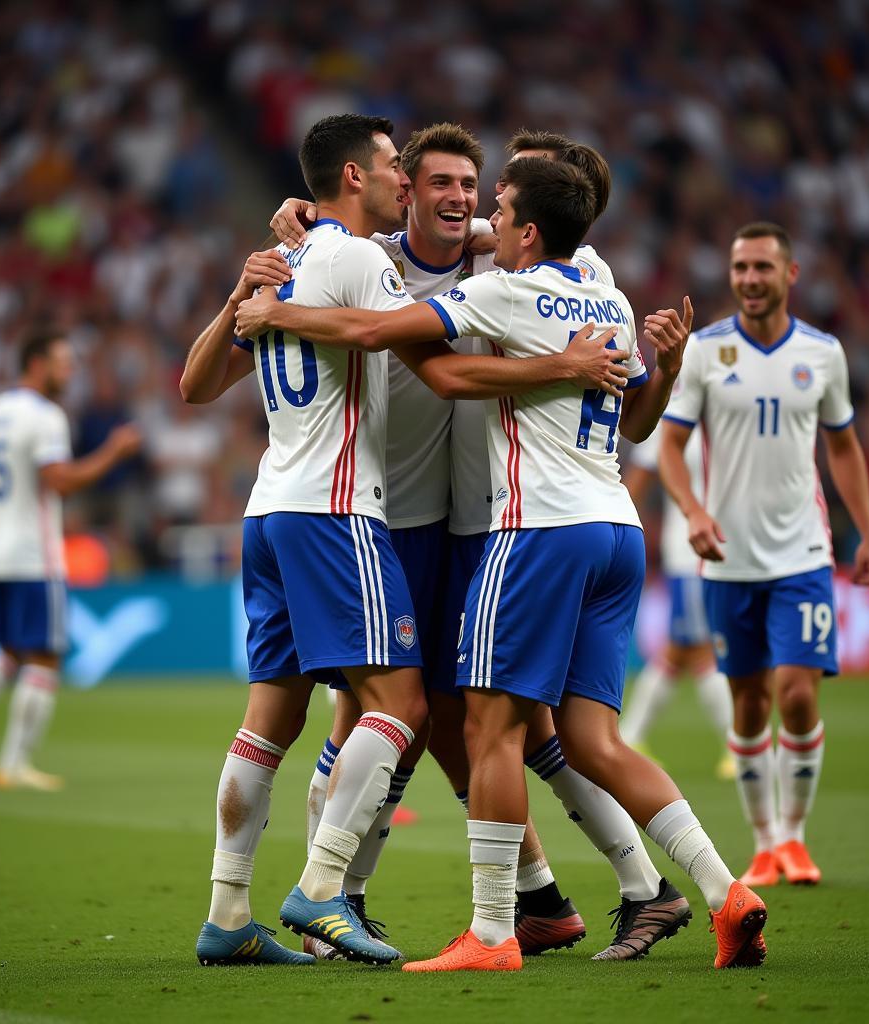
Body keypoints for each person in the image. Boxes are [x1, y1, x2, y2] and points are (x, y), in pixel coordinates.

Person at [235, 156, 768, 972]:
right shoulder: (609, 296)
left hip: (533, 533)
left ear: (525, 228)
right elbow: (634, 424)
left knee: (482, 725)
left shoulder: (503, 290)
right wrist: (655, 368)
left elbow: (390, 338)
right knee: (588, 738)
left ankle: (489, 933)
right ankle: (723, 891)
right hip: (615, 529)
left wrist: (277, 308)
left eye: (498, 205)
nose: (480, 215)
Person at [181, 114, 609, 968]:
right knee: (405, 706)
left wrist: (245, 294)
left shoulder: (289, 262)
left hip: (270, 508)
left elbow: (195, 385)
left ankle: (229, 912)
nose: (409, 187)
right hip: (340, 511)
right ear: (352, 176)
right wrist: (559, 365)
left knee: (273, 715)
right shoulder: (361, 261)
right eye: (393, 170)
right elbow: (440, 372)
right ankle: (324, 887)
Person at [660, 221, 869, 888]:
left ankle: (795, 837)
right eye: (740, 268)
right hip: (729, 560)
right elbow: (669, 446)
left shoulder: (823, 353)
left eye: (762, 267)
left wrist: (867, 532)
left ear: (790, 275)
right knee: (750, 704)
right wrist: (694, 512)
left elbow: (842, 446)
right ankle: (763, 843)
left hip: (803, 554)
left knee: (797, 695)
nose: (749, 279)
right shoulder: (704, 352)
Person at [0, 328, 141, 791]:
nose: (70, 371)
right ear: (36, 364)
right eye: (62, 362)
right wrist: (113, 453)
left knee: (11, 654)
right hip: (33, 556)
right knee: (44, 656)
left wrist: (7, 501)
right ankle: (14, 764)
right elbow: (59, 481)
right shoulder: (46, 417)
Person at [620, 421, 736, 780]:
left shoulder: (728, 409)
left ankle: (630, 736)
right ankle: (739, 744)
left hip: (730, 553)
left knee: (683, 650)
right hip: (691, 553)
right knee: (700, 648)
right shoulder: (672, 415)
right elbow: (637, 481)